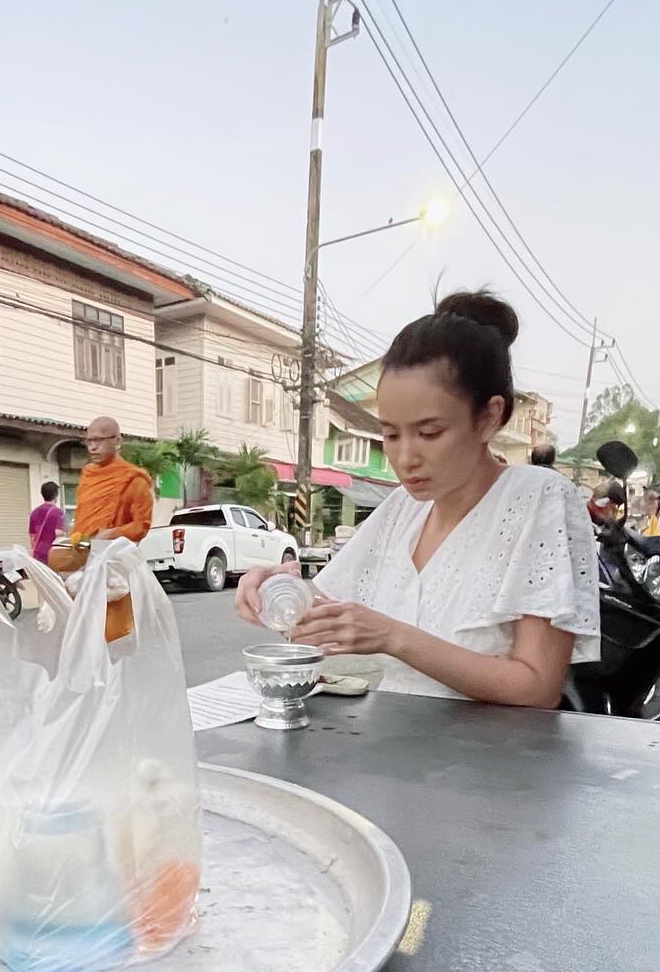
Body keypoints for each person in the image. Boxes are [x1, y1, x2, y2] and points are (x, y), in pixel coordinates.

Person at [235, 290, 599, 706]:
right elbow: (331, 619)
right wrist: (279, 591)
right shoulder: (404, 509)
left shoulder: (538, 498)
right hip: (396, 751)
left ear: (490, 416)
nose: (405, 458)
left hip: (493, 761)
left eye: (429, 433)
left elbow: (537, 687)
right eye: (390, 434)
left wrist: (393, 637)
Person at [62, 416, 154, 640]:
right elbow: (83, 522)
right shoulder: (88, 476)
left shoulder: (134, 480)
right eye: (88, 440)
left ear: (117, 440)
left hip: (116, 568)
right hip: (84, 560)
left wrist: (112, 534)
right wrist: (75, 545)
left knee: (114, 636)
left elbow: (141, 526)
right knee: (82, 634)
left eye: (99, 440)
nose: (92, 447)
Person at [28, 480, 65, 564]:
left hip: (38, 553)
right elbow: (59, 533)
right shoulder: (58, 512)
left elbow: (32, 536)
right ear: (56, 495)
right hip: (52, 554)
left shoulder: (34, 513)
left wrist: (34, 551)